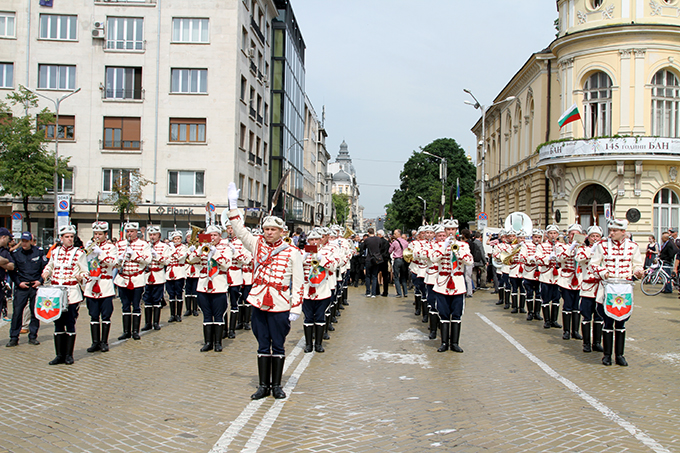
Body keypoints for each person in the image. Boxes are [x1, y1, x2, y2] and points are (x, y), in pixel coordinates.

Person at [227, 182, 303, 400]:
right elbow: (239, 230)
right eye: (267, 229)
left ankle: (277, 386)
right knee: (262, 344)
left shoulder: (292, 252)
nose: (269, 233)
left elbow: (298, 282)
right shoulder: (257, 244)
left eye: (273, 230)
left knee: (278, 345)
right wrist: (233, 204)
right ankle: (263, 385)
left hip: (280, 303)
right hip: (259, 301)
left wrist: (296, 307)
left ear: (282, 232)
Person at [588, 219, 643, 366]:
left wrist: (638, 272)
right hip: (607, 288)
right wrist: (604, 272)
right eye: (610, 230)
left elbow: (637, 264)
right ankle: (607, 355)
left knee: (621, 323)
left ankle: (619, 355)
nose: (611, 233)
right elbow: (593, 265)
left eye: (614, 231)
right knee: (607, 322)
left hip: (624, 290)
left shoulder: (633, 246)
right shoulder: (602, 245)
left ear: (623, 232)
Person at [41, 225, 88, 365]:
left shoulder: (79, 253)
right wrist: (46, 272)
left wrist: (81, 277)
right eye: (67, 237)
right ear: (61, 238)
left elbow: (86, 271)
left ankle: (69, 355)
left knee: (70, 323)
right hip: (56, 292)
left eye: (71, 237)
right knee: (58, 323)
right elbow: (50, 265)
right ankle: (59, 355)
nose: (69, 239)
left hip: (71, 291)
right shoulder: (54, 252)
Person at [430, 219, 473, 352]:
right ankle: (444, 343)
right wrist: (444, 247)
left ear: (456, 230)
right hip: (442, 282)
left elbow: (469, 261)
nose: (450, 232)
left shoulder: (463, 245)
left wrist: (458, 252)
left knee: (456, 313)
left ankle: (454, 343)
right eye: (448, 229)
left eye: (453, 229)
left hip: (458, 282)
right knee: (443, 313)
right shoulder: (439, 245)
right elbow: (433, 258)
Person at [190, 225, 233, 352]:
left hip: (218, 284)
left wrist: (215, 253)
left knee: (218, 315)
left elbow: (226, 264)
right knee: (207, 314)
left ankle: (218, 343)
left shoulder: (225, 248)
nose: (213, 238)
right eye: (211, 235)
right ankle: (208, 342)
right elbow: (191, 260)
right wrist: (199, 251)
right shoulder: (202, 247)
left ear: (220, 236)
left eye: (215, 235)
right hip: (203, 285)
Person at [82, 221, 118, 353]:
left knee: (106, 315)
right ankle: (95, 342)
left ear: (105, 234)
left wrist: (100, 253)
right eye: (95, 234)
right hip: (92, 284)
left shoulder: (110, 247)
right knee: (93, 315)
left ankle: (104, 341)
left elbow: (113, 262)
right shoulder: (90, 246)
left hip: (105, 284)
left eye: (100, 234)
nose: (97, 236)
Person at [6, 231, 47, 347]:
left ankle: (33, 336)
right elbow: (12, 271)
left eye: (26, 241)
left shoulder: (38, 252)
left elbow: (45, 268)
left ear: (31, 241)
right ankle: (14, 337)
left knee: (35, 313)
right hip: (22, 287)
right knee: (17, 312)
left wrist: (40, 281)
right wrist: (18, 283)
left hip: (35, 286)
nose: (24, 243)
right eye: (22, 241)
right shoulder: (16, 254)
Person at [114, 222, 152, 341]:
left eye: (132, 231)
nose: (129, 234)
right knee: (125, 306)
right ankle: (126, 331)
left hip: (136, 279)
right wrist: (118, 260)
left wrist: (134, 254)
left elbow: (148, 260)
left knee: (136, 305)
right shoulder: (120, 244)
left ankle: (135, 331)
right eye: (127, 231)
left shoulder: (143, 244)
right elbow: (114, 262)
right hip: (123, 278)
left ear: (136, 232)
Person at [301, 229, 337, 353]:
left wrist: (321, 259)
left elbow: (333, 267)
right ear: (308, 240)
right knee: (308, 318)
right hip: (307, 291)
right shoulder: (302, 253)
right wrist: (303, 258)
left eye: (316, 239)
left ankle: (318, 344)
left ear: (320, 240)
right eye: (311, 240)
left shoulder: (326, 252)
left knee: (320, 317)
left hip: (322, 291)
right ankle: (308, 344)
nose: (314, 242)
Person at [576, 225, 605, 353]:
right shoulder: (583, 249)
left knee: (599, 317)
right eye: (592, 236)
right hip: (588, 287)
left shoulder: (605, 250)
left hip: (600, 287)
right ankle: (586, 343)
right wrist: (592, 250)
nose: (595, 238)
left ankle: (597, 342)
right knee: (586, 316)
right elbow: (579, 258)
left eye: (597, 236)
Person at [556, 224, 584, 341]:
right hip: (566, 278)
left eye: (576, 234)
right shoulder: (563, 247)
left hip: (579, 279)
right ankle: (566, 331)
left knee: (576, 306)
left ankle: (575, 331)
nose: (573, 236)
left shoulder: (583, 249)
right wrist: (571, 248)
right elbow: (560, 258)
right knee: (567, 305)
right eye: (572, 233)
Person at [142, 226, 170, 332]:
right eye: (150, 235)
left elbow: (167, 261)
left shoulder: (164, 246)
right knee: (147, 300)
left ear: (159, 235)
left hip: (158, 274)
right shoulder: (146, 246)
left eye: (154, 235)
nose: (152, 237)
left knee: (157, 299)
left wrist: (157, 256)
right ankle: (148, 323)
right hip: (147, 275)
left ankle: (156, 322)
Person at [535, 225, 562, 329]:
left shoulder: (561, 246)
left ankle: (554, 320)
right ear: (547, 234)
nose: (553, 235)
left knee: (556, 299)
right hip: (546, 275)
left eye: (555, 233)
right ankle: (547, 320)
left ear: (558, 234)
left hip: (557, 277)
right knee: (545, 298)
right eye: (551, 233)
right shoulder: (541, 246)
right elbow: (537, 259)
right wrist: (548, 258)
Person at [519, 229, 544, 321]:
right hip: (529, 273)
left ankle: (537, 312)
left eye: (539, 237)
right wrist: (531, 259)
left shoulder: (543, 246)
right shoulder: (526, 245)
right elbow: (521, 257)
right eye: (535, 237)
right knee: (529, 293)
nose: (537, 239)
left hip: (540, 273)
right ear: (532, 237)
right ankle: (530, 312)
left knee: (539, 294)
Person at [166, 230, 188, 323]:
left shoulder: (184, 247)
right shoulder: (168, 248)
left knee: (179, 293)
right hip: (170, 272)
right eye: (175, 239)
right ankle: (172, 315)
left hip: (179, 272)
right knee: (171, 294)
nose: (177, 240)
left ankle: (178, 315)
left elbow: (180, 257)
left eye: (178, 238)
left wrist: (173, 250)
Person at [184, 230, 201, 317]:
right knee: (187, 290)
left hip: (196, 270)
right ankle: (188, 309)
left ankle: (195, 308)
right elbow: (182, 257)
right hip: (187, 270)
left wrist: (195, 252)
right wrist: (188, 251)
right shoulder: (184, 247)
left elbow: (200, 258)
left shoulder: (199, 247)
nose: (190, 239)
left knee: (195, 290)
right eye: (188, 237)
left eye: (192, 237)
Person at [361, 228, 383, 298]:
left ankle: (368, 292)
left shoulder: (367, 240)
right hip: (376, 259)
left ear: (368, 232)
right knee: (375, 276)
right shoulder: (378, 239)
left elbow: (364, 248)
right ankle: (373, 293)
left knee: (368, 276)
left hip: (368, 259)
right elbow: (380, 247)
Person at [0, 227, 15, 323]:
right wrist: (5, 262)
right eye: (8, 238)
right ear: (3, 237)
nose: (9, 241)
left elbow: (12, 265)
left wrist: (3, 261)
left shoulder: (4, 251)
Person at [388, 229, 409, 298]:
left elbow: (390, 251)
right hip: (404, 260)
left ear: (399, 234)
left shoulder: (395, 242)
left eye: (395, 233)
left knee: (396, 277)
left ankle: (399, 293)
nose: (394, 235)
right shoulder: (406, 242)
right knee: (403, 277)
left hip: (397, 260)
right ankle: (405, 292)